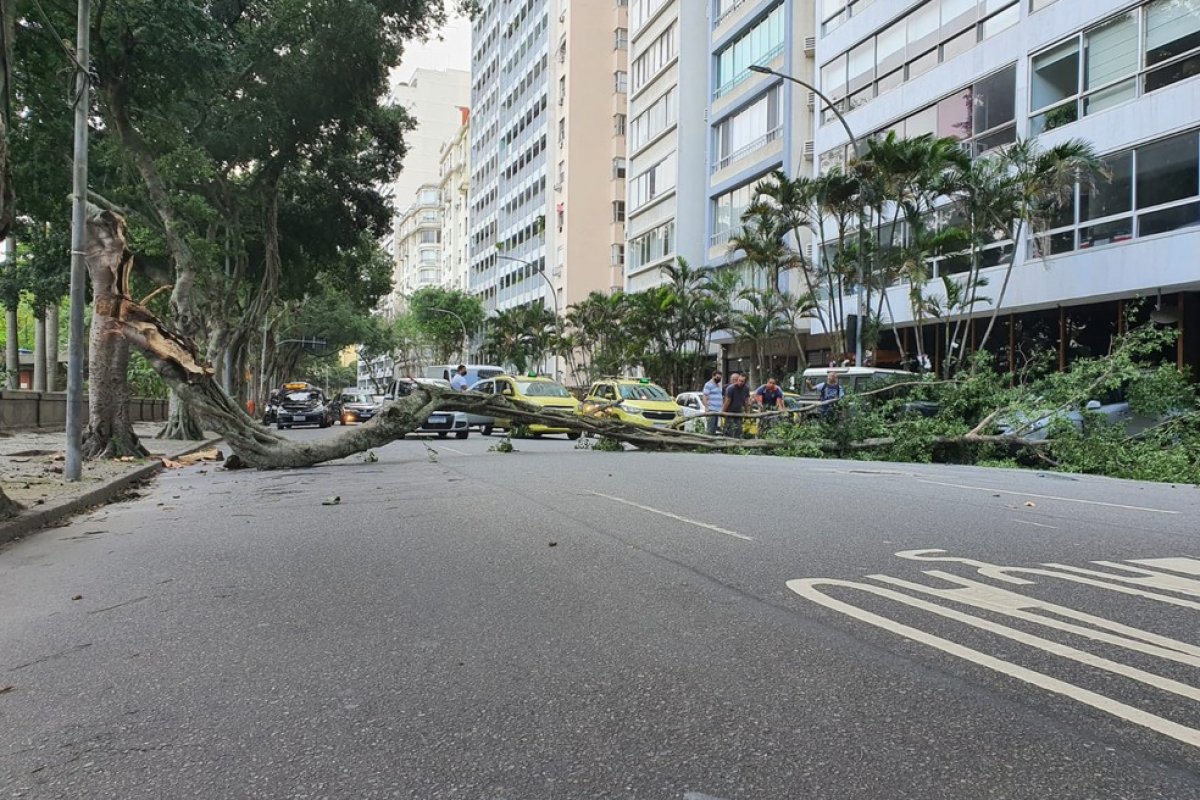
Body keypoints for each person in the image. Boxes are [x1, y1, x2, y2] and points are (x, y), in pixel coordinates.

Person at [721, 372, 751, 438]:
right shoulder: (730, 388)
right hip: (730, 412)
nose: (740, 382)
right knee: (729, 430)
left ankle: (737, 445)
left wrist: (747, 413)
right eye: (739, 380)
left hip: (739, 412)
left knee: (738, 430)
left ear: (745, 382)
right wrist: (723, 413)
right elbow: (727, 402)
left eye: (742, 381)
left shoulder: (746, 389)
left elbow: (746, 401)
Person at [701, 371, 724, 435]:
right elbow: (705, 396)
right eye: (717, 377)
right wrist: (706, 407)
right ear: (713, 376)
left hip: (718, 410)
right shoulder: (708, 384)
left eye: (720, 378)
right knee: (710, 428)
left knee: (714, 428)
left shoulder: (718, 385)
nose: (719, 379)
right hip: (711, 409)